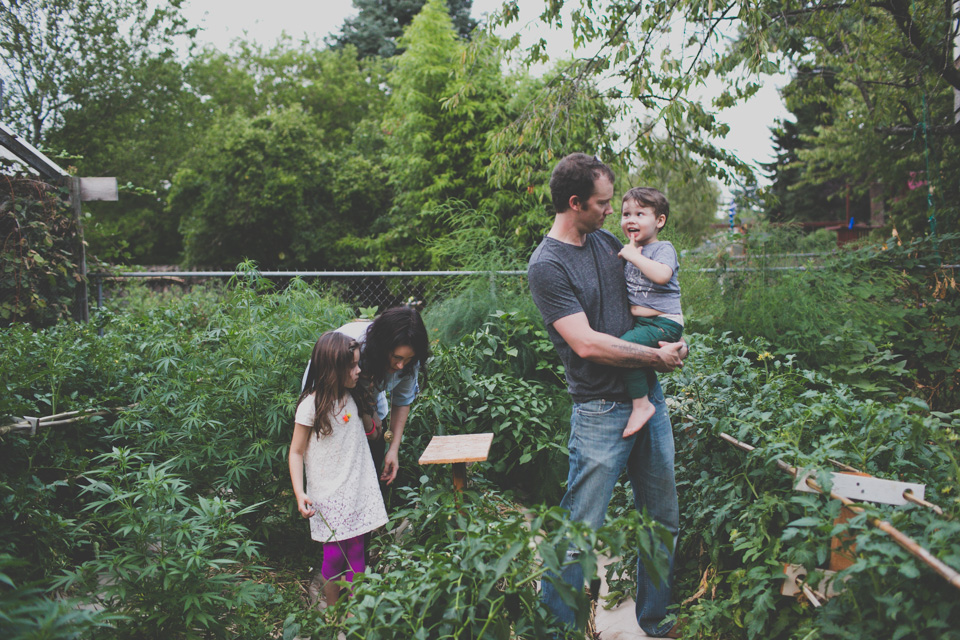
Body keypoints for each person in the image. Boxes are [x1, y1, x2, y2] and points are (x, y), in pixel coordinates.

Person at [527, 153, 687, 638]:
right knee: (578, 533)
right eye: (601, 203)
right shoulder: (547, 265)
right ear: (575, 203)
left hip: (648, 400)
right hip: (600, 409)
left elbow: (652, 296)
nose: (611, 211)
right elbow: (586, 343)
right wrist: (654, 358)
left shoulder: (607, 241)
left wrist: (671, 335)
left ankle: (655, 624)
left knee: (661, 520)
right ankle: (557, 630)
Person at [289, 331, 389, 608]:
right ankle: (333, 613)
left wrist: (372, 425)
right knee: (334, 555)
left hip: (356, 487)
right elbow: (296, 452)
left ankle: (354, 614)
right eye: (353, 366)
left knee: (358, 550)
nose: (359, 370)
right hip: (328, 493)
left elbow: (368, 429)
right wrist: (300, 493)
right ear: (333, 369)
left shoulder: (353, 397)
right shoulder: (310, 406)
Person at [302, 306, 430, 485]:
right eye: (397, 357)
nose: (401, 366)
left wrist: (392, 450)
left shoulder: (409, 361)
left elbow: (401, 402)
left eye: (408, 359)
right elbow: (324, 399)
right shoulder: (353, 346)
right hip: (330, 408)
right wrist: (367, 416)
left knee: (370, 474)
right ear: (382, 347)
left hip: (370, 405)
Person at [618, 187, 684, 438]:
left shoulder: (662, 248)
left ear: (659, 221)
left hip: (663, 322)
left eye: (640, 214)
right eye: (626, 214)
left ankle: (641, 404)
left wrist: (634, 257)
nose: (631, 219)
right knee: (637, 358)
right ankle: (644, 401)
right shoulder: (630, 250)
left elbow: (661, 275)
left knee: (625, 349)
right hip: (645, 324)